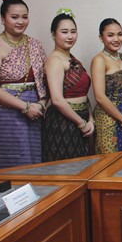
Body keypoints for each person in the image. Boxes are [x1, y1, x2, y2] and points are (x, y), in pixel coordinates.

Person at [0, 0, 47, 170]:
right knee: (7, 161)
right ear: (3, 19)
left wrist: (40, 104)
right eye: (14, 17)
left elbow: (44, 82)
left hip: (34, 111)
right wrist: (24, 107)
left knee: (32, 159)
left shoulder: (35, 45)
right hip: (4, 112)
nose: (20, 21)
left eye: (25, 17)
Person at [43, 10, 94, 162]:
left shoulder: (72, 59)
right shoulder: (55, 61)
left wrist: (90, 119)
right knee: (66, 169)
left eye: (73, 31)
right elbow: (57, 100)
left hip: (82, 120)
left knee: (83, 167)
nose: (70, 36)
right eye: (64, 32)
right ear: (54, 34)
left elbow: (84, 94)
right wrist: (81, 123)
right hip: (63, 123)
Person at [91, 18, 122, 154]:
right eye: (110, 35)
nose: (116, 39)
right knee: (110, 160)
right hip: (109, 118)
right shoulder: (99, 60)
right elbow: (100, 97)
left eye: (120, 34)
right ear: (101, 37)